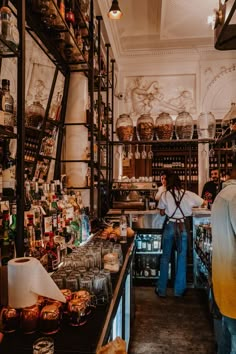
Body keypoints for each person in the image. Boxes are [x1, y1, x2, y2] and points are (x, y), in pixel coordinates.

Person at [155, 173, 204, 297]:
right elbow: (202, 202)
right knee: (182, 258)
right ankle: (179, 291)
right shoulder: (187, 194)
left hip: (170, 225)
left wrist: (167, 209)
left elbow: (161, 213)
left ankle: (161, 290)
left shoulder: (165, 194)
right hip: (182, 226)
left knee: (165, 257)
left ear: (169, 183)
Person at [211, 158, 236, 354]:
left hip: (223, 283)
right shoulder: (234, 196)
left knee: (225, 343)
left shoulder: (222, 195)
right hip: (233, 285)